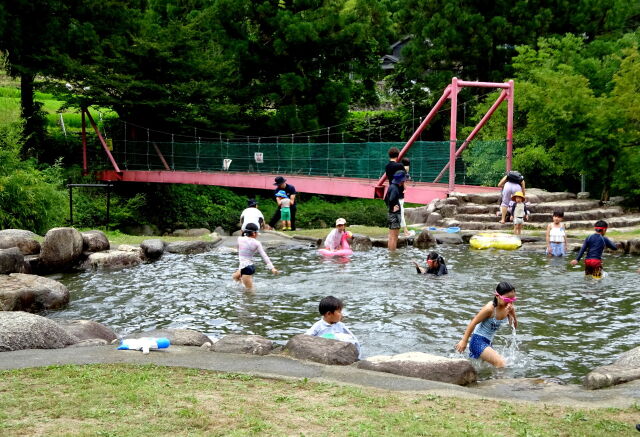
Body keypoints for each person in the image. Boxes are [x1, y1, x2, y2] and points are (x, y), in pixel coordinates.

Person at [455, 282, 518, 368]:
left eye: (513, 299)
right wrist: (464, 341)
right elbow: (473, 322)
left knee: (478, 368)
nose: (510, 302)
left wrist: (512, 313)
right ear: (497, 296)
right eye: (507, 299)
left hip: (489, 342)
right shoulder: (489, 309)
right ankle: (500, 382)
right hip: (478, 340)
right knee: (500, 363)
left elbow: (514, 325)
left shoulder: (509, 308)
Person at [231, 223, 279, 289]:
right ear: (254, 233)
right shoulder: (257, 243)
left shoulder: (239, 239)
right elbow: (264, 255)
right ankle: (241, 288)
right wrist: (272, 268)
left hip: (246, 267)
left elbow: (238, 249)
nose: (257, 235)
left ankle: (251, 296)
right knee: (235, 277)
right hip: (247, 266)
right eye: (257, 233)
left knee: (249, 291)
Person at [384, 170, 406, 251]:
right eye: (404, 180)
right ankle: (393, 255)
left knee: (391, 237)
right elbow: (391, 199)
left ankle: (391, 253)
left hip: (392, 214)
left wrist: (390, 207)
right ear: (401, 180)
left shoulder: (392, 186)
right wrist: (393, 207)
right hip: (395, 215)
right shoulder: (395, 188)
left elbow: (385, 199)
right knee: (394, 237)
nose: (404, 181)